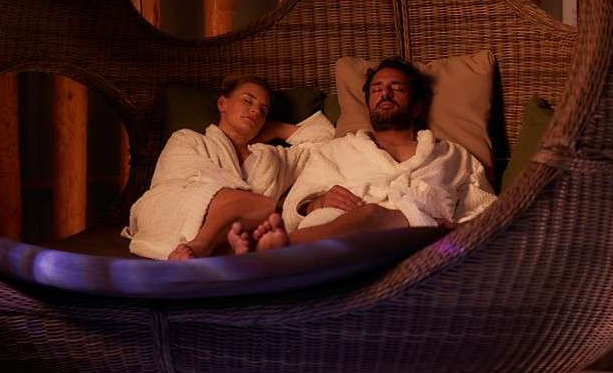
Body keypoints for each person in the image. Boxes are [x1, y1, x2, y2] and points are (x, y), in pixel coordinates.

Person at [250, 58, 496, 251]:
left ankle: (281, 252)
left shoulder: (452, 156)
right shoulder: (336, 150)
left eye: (396, 88)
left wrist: (455, 228)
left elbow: (488, 211)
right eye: (376, 90)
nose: (385, 94)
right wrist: (318, 203)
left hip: (417, 241)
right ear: (368, 105)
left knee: (371, 215)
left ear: (417, 106)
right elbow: (293, 209)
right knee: (337, 219)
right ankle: (287, 255)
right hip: (334, 230)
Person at [123, 75, 333, 259]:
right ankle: (205, 244)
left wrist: (277, 128)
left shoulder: (271, 158)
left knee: (262, 211)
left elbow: (326, 143)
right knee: (265, 207)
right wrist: (258, 205)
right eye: (247, 100)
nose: (255, 110)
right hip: (177, 212)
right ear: (223, 103)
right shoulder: (188, 139)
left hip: (242, 226)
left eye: (263, 110)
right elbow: (184, 182)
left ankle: (218, 249)